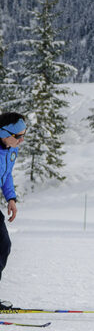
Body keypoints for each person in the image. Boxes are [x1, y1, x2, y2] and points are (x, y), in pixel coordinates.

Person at [0, 112, 26, 310]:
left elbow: (7, 175)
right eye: (18, 136)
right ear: (3, 132)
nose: (21, 140)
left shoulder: (10, 151)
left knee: (3, 246)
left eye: (24, 135)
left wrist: (11, 198)